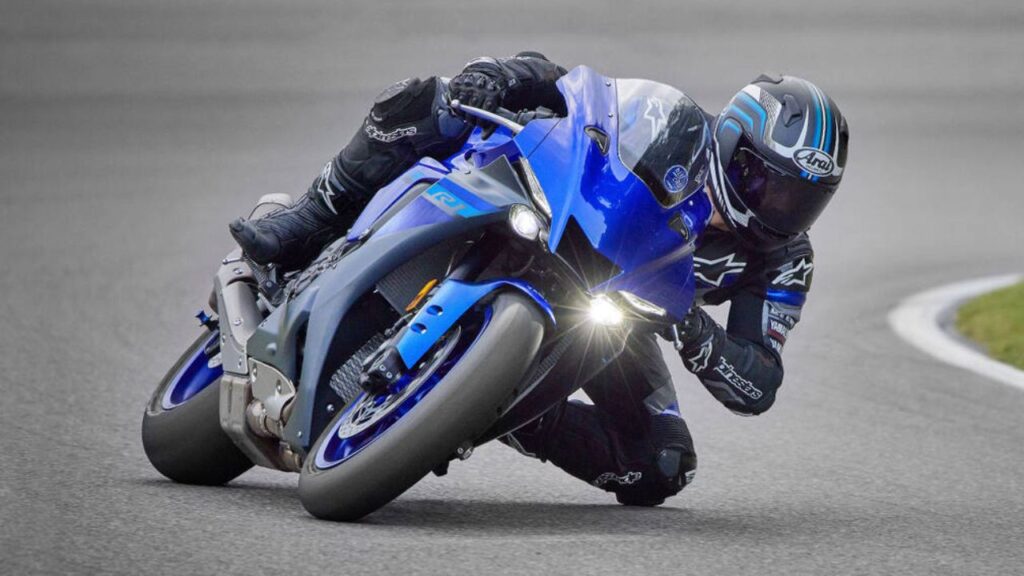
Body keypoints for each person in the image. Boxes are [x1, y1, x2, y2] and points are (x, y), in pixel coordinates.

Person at [229, 53, 849, 506]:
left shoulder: (784, 259)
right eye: (768, 182)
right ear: (734, 144)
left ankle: (475, 406)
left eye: (802, 200)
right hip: (546, 211)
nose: (780, 208)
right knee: (427, 99)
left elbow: (758, 384)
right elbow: (580, 89)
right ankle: (307, 219)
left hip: (614, 312)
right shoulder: (678, 126)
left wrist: (695, 331)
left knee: (660, 465)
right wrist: (503, 77)